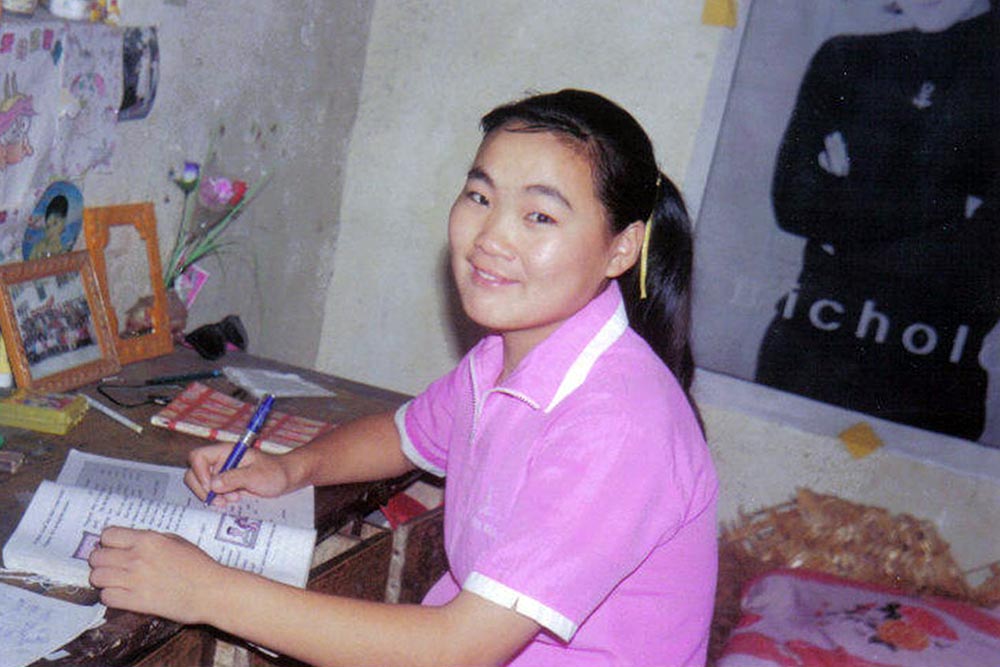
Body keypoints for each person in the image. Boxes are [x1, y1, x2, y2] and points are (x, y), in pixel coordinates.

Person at [88, 89, 719, 666]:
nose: (489, 237)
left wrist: (205, 590)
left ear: (621, 248)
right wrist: (291, 469)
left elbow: (458, 649)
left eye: (540, 218)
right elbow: (404, 432)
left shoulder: (619, 423)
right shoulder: (509, 351)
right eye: (480, 196)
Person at [756, 0, 999, 441]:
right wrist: (947, 207)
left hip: (928, 384)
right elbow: (792, 204)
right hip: (802, 355)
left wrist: (848, 209)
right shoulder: (846, 58)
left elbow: (980, 268)